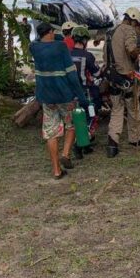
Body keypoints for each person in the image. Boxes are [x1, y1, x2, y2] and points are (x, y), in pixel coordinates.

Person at [30, 22, 89, 179]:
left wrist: (48, 35)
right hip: (64, 96)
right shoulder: (61, 47)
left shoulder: (34, 48)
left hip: (46, 97)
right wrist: (82, 97)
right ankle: (66, 153)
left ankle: (56, 170)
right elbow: (71, 75)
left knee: (51, 133)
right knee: (71, 125)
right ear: (50, 32)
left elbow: (36, 41)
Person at [103, 7, 140, 158]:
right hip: (127, 76)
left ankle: (112, 144)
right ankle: (135, 139)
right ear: (133, 20)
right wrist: (138, 51)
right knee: (134, 110)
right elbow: (131, 49)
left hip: (113, 78)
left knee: (116, 110)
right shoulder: (128, 30)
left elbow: (105, 57)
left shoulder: (110, 32)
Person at [70, 26, 101, 156]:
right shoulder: (87, 56)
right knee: (91, 117)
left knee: (75, 119)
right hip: (85, 91)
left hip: (70, 93)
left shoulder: (67, 54)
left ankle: (85, 144)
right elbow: (97, 73)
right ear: (84, 40)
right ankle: (79, 144)